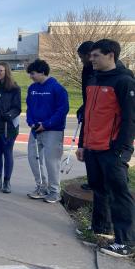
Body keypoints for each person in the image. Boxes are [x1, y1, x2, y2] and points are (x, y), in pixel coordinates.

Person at [76, 39, 135, 258]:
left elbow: (130, 120)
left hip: (112, 150)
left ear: (110, 55)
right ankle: (101, 229)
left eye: (95, 56)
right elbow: (88, 118)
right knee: (98, 189)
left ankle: (125, 242)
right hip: (92, 148)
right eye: (90, 56)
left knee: (119, 194)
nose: (90, 60)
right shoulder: (93, 79)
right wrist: (83, 144)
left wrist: (122, 150)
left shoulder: (124, 81)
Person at [25, 59, 69, 203]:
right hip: (35, 130)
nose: (31, 76)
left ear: (42, 72)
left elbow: (62, 110)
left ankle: (54, 191)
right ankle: (41, 187)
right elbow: (29, 108)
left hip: (53, 131)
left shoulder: (57, 88)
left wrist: (46, 124)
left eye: (33, 73)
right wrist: (31, 123)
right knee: (33, 159)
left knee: (52, 162)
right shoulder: (32, 88)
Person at [0, 62, 21, 194]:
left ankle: (7, 182)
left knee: (7, 153)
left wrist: (9, 115)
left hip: (9, 126)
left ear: (6, 71)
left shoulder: (14, 88)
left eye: (0, 71)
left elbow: (17, 107)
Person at [77, 41, 95, 191]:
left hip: (100, 116)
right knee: (85, 147)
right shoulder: (86, 69)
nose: (81, 60)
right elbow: (87, 93)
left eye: (82, 57)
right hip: (88, 111)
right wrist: (84, 106)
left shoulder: (101, 70)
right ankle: (92, 180)